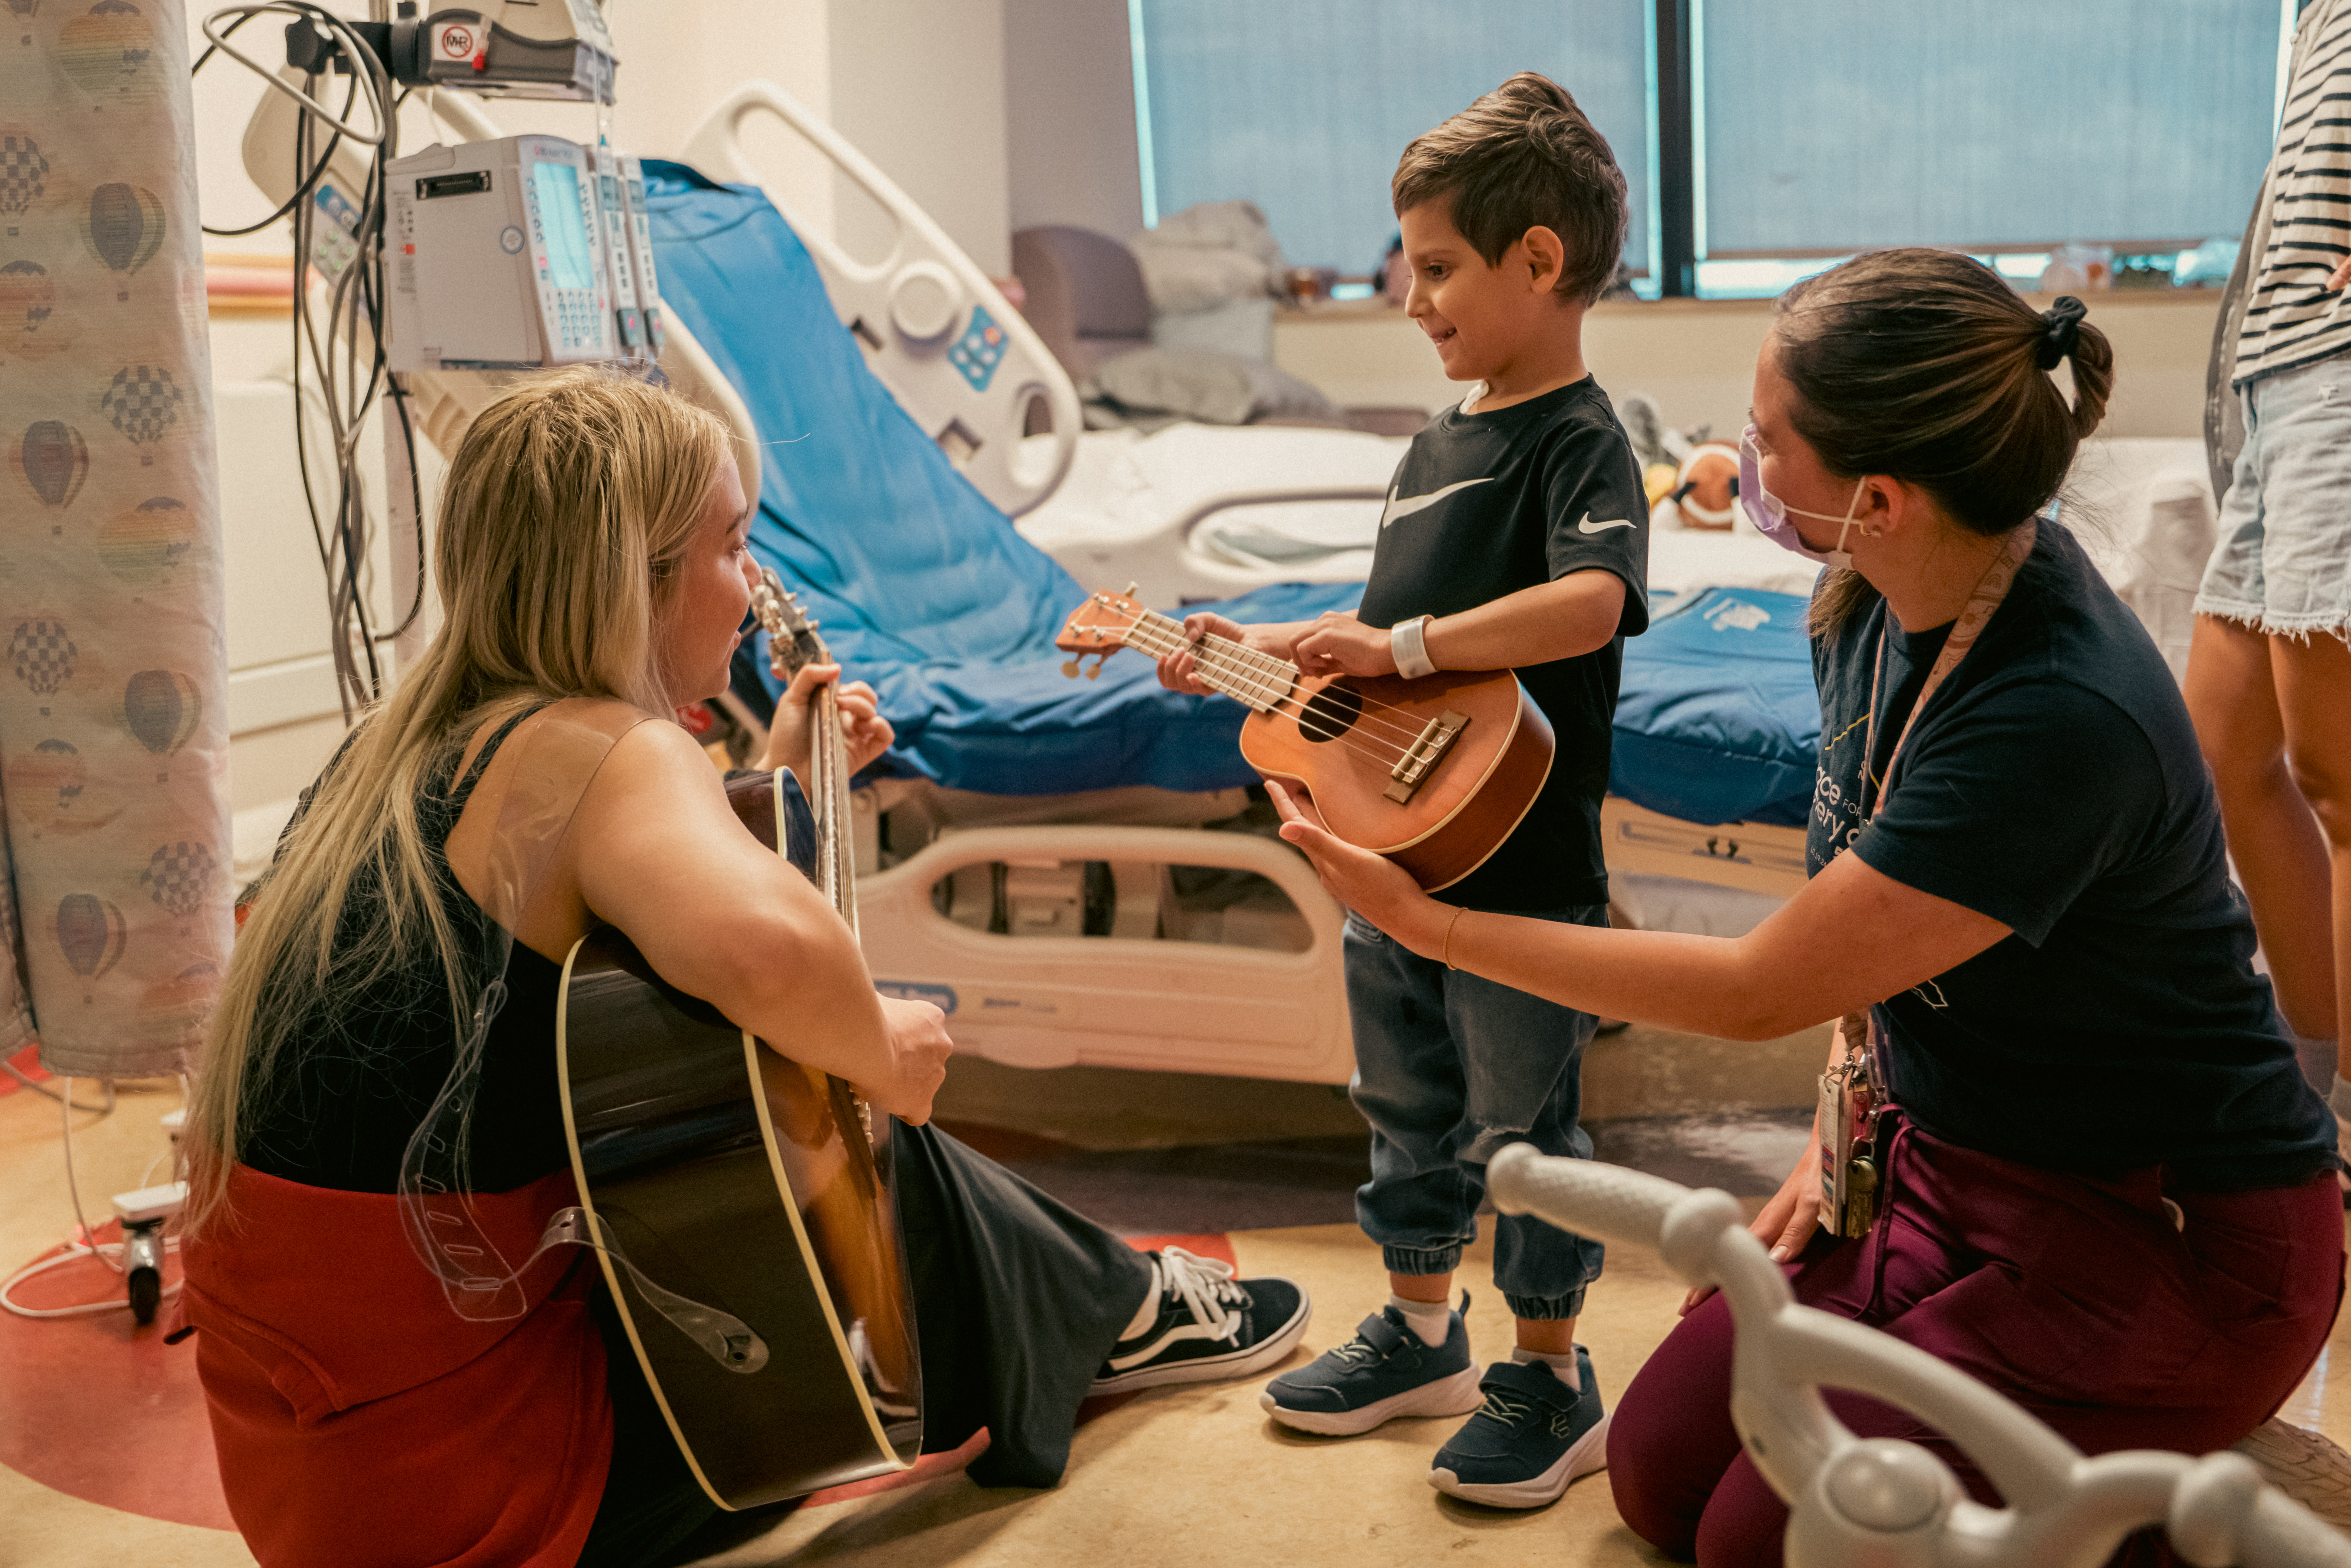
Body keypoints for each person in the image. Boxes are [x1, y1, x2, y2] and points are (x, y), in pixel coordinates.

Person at [1264, 248, 2342, 1565]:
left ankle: (2171, 1506)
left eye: (1767, 443)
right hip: (1948, 1169)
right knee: (1663, 1478)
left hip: (2169, 1237)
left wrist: (1430, 927)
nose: (1741, 464)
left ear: (1877, 497)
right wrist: (1849, 1130)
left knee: (1772, 1537)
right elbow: (1855, 930)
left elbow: (1760, 987)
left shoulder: (2057, 709)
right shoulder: (1863, 603)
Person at [177, 368, 1311, 1568]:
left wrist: (776, 779)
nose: (752, 588)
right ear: (637, 578)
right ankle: (1124, 1309)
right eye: (734, 547)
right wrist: (881, 1055)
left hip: (322, 1476)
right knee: (849, 1145)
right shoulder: (601, 748)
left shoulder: (396, 751)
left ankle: (1115, 1302)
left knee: (743, 1105)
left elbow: (609, 944)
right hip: (488, 1489)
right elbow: (770, 952)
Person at [1154, 72, 1647, 1509]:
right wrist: (1251, 656)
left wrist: (1407, 640)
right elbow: (1382, 679)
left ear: (1538, 262)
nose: (1409, 298)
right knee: (1404, 1106)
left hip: (1522, 880)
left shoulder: (1576, 435)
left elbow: (1591, 603)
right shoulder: (1435, 443)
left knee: (1527, 1137)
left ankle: (1552, 1378)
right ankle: (1422, 1337)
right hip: (1395, 863)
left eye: (1435, 267)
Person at [2185, 0, 2351, 1171]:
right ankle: (2309, 1087)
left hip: (2340, 366)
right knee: (2227, 756)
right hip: (2277, 371)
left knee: (2343, 781)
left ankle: (2336, 1125)